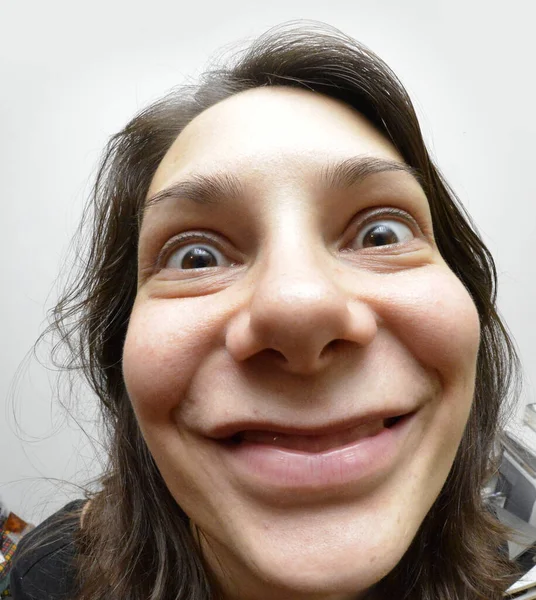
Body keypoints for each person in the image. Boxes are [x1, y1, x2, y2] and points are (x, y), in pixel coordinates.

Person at [10, 19, 521, 600]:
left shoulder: (498, 554)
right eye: (196, 258)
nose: (298, 304)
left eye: (380, 235)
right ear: (121, 356)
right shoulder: (49, 576)